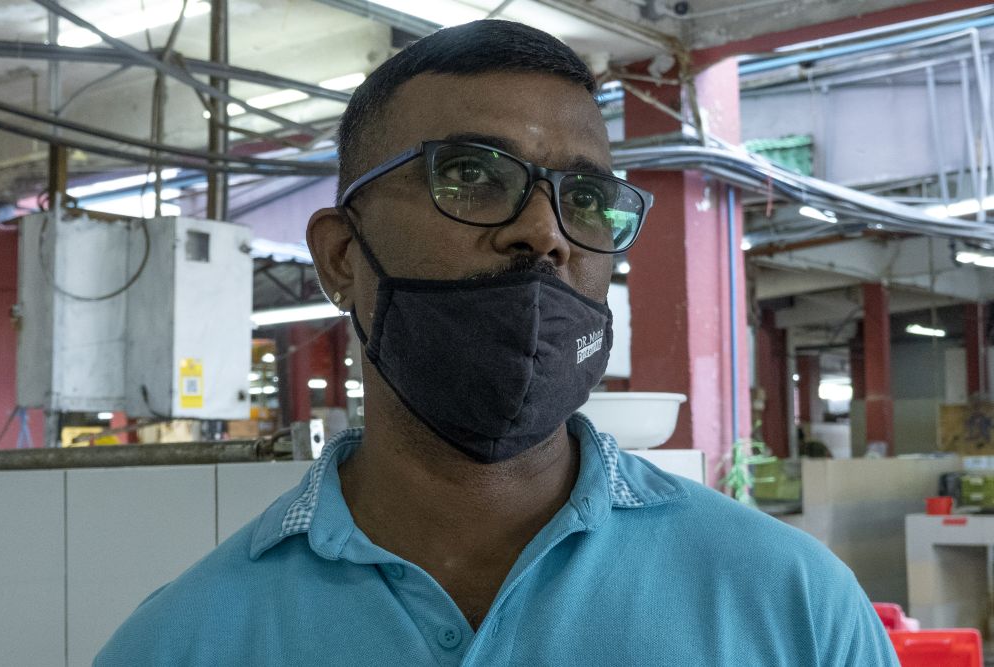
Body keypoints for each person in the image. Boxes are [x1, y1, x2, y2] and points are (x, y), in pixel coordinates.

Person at [97, 20, 899, 666]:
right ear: (342, 256)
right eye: (474, 176)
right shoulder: (182, 642)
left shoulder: (794, 607)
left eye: (584, 197)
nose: (545, 233)